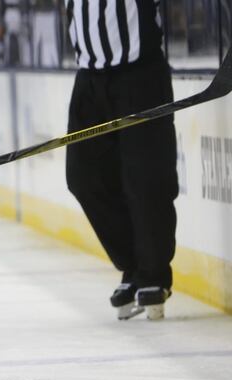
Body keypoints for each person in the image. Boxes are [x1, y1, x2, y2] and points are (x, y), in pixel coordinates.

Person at [65, 0, 177, 320]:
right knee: (83, 178)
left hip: (139, 73)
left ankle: (153, 275)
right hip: (88, 78)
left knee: (146, 178)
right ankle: (133, 267)